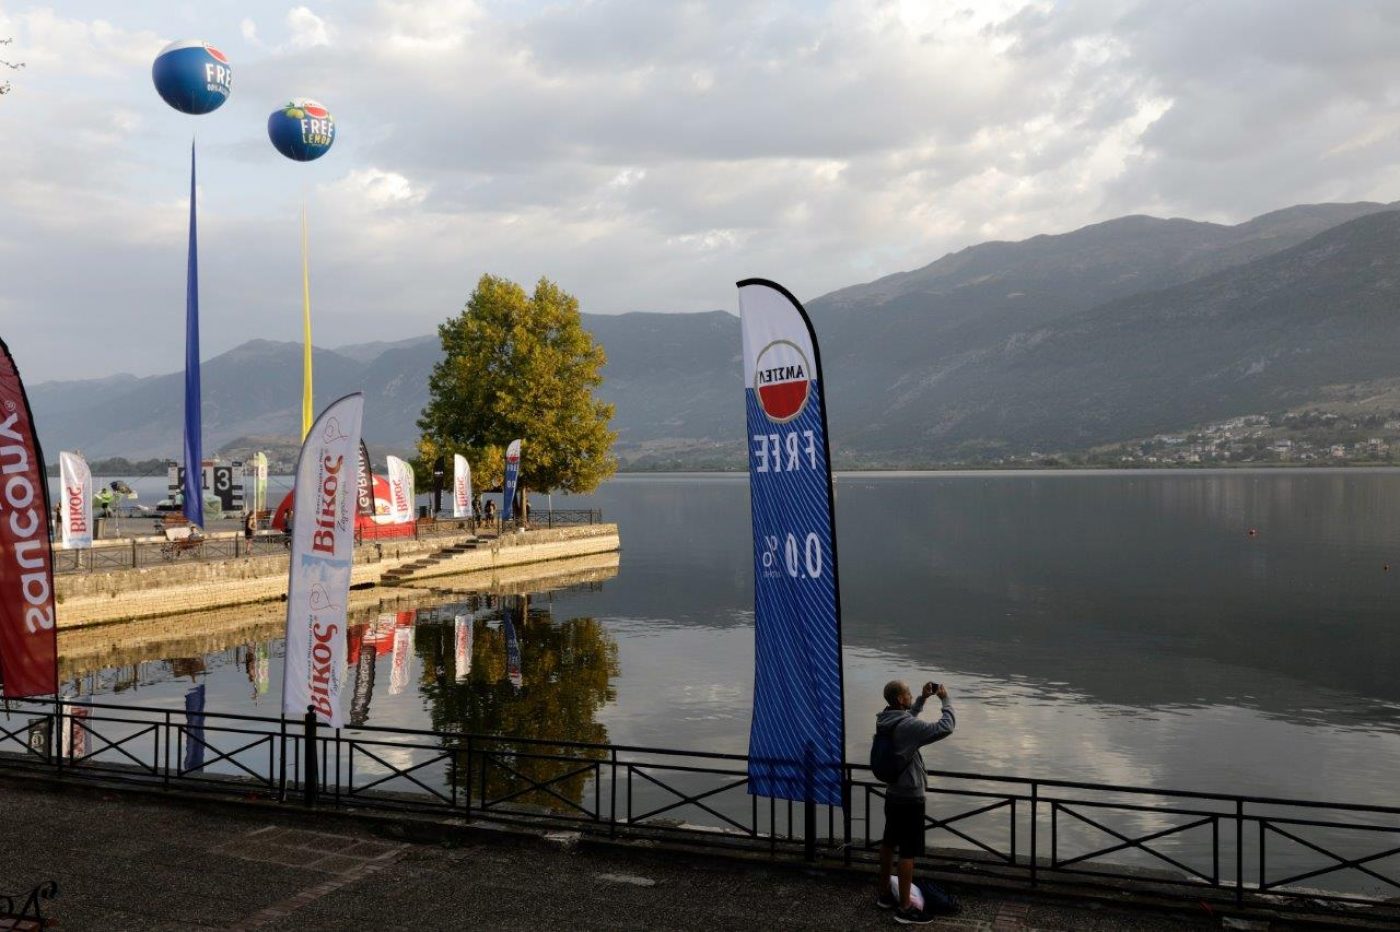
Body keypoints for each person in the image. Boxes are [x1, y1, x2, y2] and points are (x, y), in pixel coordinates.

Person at [874, 680, 955, 924]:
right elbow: (946, 727)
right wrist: (945, 700)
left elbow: (906, 719)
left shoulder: (885, 719)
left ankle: (884, 895)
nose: (910, 696)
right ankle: (905, 908)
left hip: (892, 793)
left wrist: (921, 699)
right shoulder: (908, 726)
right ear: (900, 699)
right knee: (908, 851)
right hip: (910, 797)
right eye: (908, 693)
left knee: (889, 843)